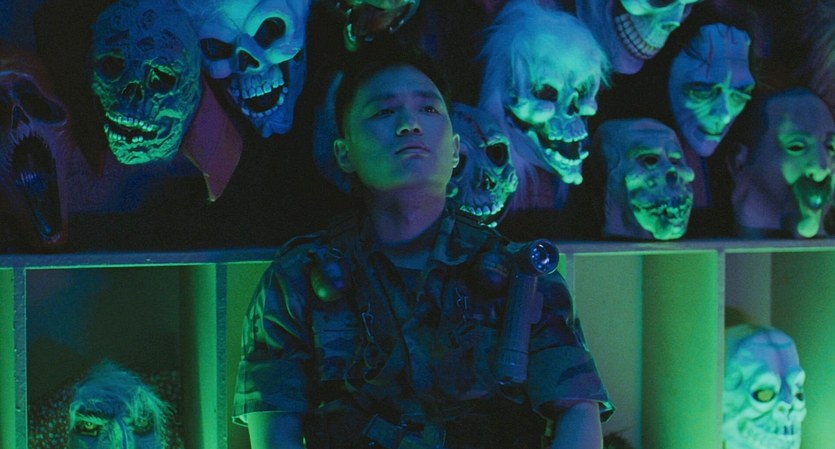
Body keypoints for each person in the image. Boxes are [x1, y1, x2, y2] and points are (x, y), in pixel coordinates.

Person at [233, 44, 613, 449]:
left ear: (455, 149)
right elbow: (275, 431)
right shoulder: (297, 279)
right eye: (384, 111)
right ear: (344, 153)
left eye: (429, 109)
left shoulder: (522, 274)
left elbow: (577, 410)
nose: (409, 124)